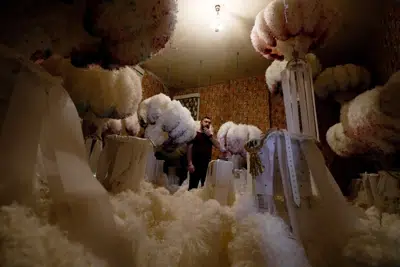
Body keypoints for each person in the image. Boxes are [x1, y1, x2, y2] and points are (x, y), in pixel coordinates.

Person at [187, 116, 225, 190]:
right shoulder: (195, 133)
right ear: (201, 122)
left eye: (209, 122)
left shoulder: (209, 136)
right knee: (192, 188)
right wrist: (189, 163)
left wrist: (210, 136)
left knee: (204, 189)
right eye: (205, 121)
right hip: (195, 165)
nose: (207, 123)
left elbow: (218, 145)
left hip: (206, 166)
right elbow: (189, 148)